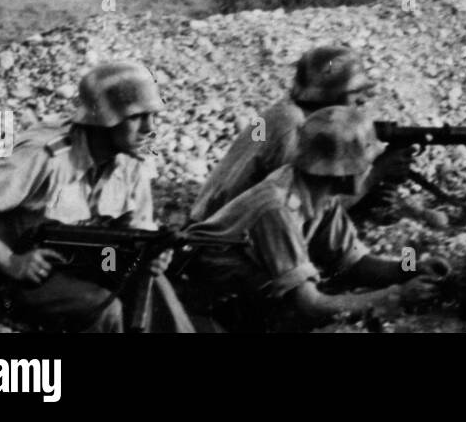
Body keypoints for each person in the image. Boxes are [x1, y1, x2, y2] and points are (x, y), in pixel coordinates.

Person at [0, 61, 189, 332]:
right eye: (137, 117)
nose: (149, 128)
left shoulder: (132, 161)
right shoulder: (47, 155)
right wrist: (9, 261)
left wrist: (152, 254)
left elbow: (135, 232)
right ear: (105, 119)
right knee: (104, 308)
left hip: (78, 260)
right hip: (3, 267)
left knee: (151, 281)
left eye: (153, 116)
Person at [185, 107, 447, 332]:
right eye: (368, 162)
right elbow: (311, 305)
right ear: (344, 172)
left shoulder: (321, 194)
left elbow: (355, 263)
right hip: (210, 305)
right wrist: (397, 297)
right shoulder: (276, 208)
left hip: (247, 295)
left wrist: (410, 268)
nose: (373, 169)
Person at [189, 45, 407, 222]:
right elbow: (306, 209)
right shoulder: (294, 127)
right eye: (354, 93)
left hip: (222, 224)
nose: (362, 101)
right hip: (221, 239)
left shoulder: (282, 115)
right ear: (331, 93)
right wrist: (373, 176)